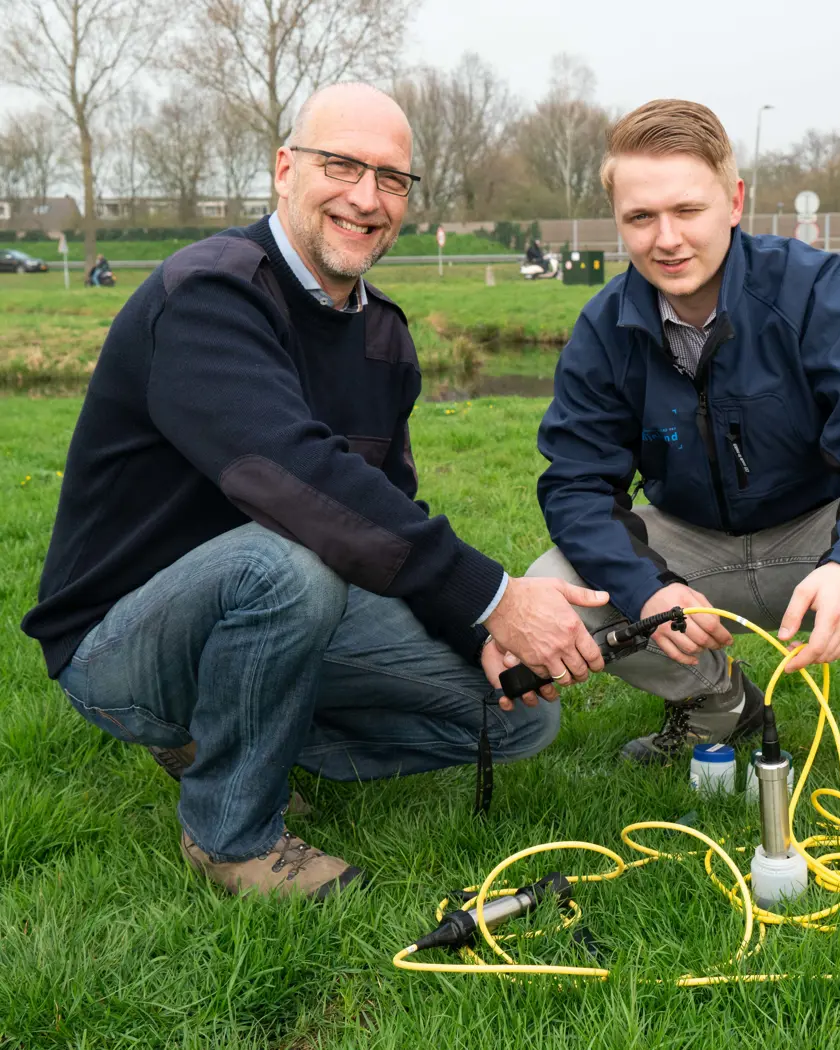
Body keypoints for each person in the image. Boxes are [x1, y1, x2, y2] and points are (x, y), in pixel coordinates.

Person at [21, 83, 610, 900]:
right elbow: (294, 478)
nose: (366, 198)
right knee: (288, 562)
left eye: (392, 178)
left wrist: (468, 628)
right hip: (122, 637)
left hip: (281, 603)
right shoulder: (208, 294)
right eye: (342, 165)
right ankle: (232, 836)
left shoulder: (383, 336)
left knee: (512, 717)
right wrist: (493, 595)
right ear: (286, 167)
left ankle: (230, 738)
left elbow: (380, 515)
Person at [528, 99, 840, 823]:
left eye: (686, 210)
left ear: (733, 202)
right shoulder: (605, 327)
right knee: (556, 584)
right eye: (641, 218)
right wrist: (649, 591)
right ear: (618, 221)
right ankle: (713, 700)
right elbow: (576, 483)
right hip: (690, 543)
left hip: (811, 535)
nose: (666, 239)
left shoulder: (818, 289)